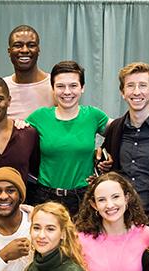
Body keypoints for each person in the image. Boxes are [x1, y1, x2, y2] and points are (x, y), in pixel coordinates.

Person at [25, 60, 108, 215]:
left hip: (83, 197)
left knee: (81, 239)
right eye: (60, 86)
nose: (67, 91)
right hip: (46, 197)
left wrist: (107, 159)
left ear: (82, 88)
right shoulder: (39, 117)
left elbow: (123, 130)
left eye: (73, 85)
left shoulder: (93, 116)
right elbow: (14, 133)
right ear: (53, 89)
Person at [101, 62, 149, 218]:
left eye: (142, 86)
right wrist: (102, 163)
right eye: (130, 86)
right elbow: (106, 164)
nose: (136, 92)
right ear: (122, 92)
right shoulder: (116, 129)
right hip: (121, 217)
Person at [3, 25, 53, 121]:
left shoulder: (55, 86)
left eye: (31, 45)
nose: (25, 50)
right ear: (9, 52)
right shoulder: (2, 87)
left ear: (38, 50)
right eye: (18, 45)